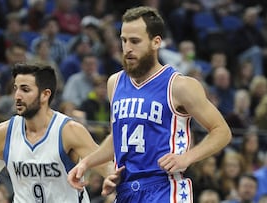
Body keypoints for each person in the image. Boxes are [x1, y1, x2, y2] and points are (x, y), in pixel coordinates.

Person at [67, 6, 232, 203]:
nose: (127, 48)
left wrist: (187, 157)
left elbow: (222, 131)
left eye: (135, 41)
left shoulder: (179, 85)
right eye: (124, 40)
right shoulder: (114, 83)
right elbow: (118, 136)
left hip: (164, 188)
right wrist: (86, 163)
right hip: (126, 190)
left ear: (156, 42)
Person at [0, 62, 114, 203]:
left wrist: (115, 179)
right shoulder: (4, 133)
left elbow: (106, 167)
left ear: (45, 94)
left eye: (25, 90)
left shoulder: (69, 131)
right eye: (16, 88)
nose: (17, 96)